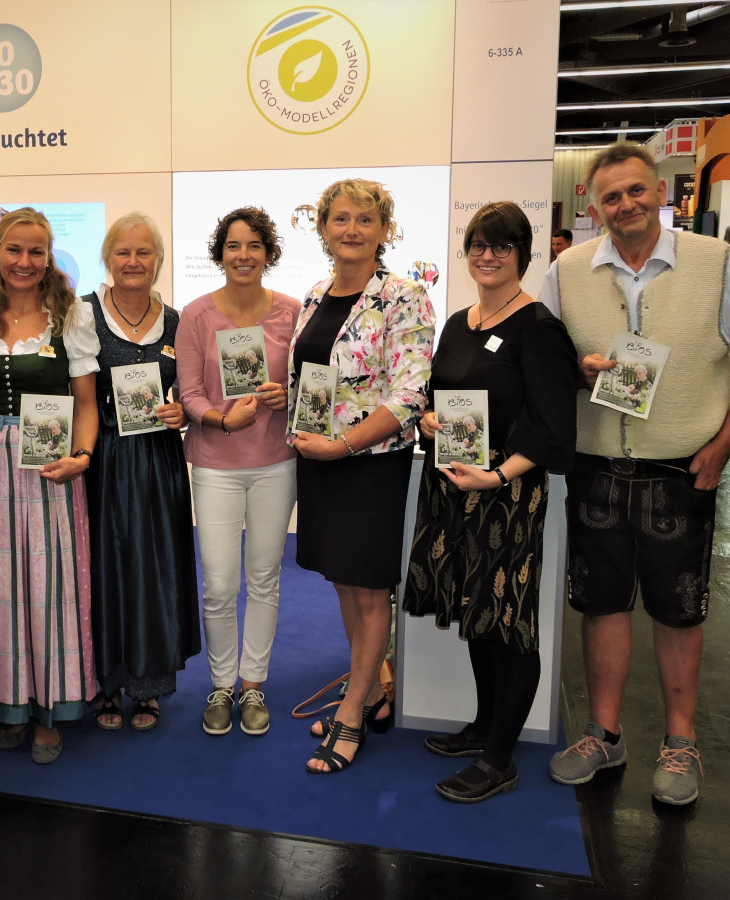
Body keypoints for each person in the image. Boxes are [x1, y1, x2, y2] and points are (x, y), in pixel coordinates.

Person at [541, 143, 730, 806]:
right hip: (596, 465)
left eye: (636, 192)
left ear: (661, 194)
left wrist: (723, 447)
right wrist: (578, 371)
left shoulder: (715, 266)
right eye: (610, 196)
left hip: (683, 469)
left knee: (679, 610)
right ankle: (604, 732)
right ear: (593, 206)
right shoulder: (565, 271)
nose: (624, 205)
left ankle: (681, 743)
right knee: (600, 605)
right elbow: (540, 363)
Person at [403, 201, 578, 802]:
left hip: (506, 495)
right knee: (477, 611)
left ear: (522, 255)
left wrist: (499, 476)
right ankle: (482, 727)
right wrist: (427, 419)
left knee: (509, 623)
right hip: (453, 486)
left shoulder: (540, 328)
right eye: (478, 244)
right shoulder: (459, 321)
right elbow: (435, 395)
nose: (487, 255)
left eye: (501, 245)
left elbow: (554, 427)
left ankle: (501, 758)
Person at [287, 178, 435, 773]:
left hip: (369, 464)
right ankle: (373, 688)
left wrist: (342, 445)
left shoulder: (404, 297)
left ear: (384, 230)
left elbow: (407, 396)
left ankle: (352, 714)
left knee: (371, 589)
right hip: (320, 459)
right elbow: (316, 381)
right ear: (323, 228)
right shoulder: (316, 294)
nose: (351, 229)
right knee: (345, 583)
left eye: (364, 220)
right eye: (340, 218)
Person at [0, 207, 99, 764]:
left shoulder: (70, 318)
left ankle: (50, 708)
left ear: (49, 258)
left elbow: (88, 404)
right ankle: (6, 699)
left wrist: (83, 456)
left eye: (36, 251)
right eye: (15, 249)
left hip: (49, 463)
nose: (25, 261)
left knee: (47, 583)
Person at [175, 207, 298, 737]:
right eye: (232, 246)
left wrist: (285, 394)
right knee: (221, 585)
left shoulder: (294, 312)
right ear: (219, 253)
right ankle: (221, 684)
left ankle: (252, 686)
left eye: (253, 246)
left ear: (268, 253)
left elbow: (314, 384)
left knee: (264, 579)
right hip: (216, 466)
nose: (243, 255)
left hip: (275, 463)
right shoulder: (196, 315)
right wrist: (222, 419)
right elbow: (189, 393)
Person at [83, 213, 200, 732]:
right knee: (103, 566)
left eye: (144, 252)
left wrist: (180, 411)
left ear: (158, 261)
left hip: (157, 464)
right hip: (102, 459)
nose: (133, 262)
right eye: (123, 252)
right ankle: (105, 683)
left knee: (154, 571)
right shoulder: (80, 315)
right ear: (108, 259)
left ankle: (149, 686)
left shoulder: (178, 322)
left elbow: (191, 393)